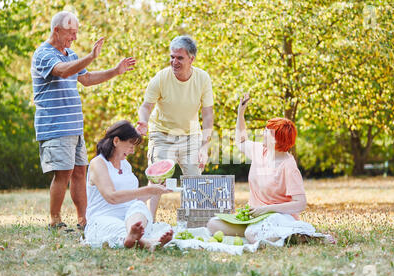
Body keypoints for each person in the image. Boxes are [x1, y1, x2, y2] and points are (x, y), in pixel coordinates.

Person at [31, 11, 136, 230]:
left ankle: (83, 220)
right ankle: (55, 220)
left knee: (80, 171)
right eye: (71, 33)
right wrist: (89, 57)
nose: (75, 38)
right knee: (63, 173)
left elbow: (86, 79)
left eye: (76, 33)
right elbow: (61, 72)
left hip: (74, 126)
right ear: (56, 31)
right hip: (55, 126)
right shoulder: (43, 54)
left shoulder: (70, 54)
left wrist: (115, 71)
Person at [207, 94, 335, 244]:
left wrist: (267, 209)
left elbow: (300, 203)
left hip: (279, 217)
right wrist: (240, 113)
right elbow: (241, 141)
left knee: (251, 233)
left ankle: (306, 237)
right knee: (213, 224)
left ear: (276, 139)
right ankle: (275, 235)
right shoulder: (260, 151)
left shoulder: (288, 166)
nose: (263, 133)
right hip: (256, 216)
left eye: (267, 131)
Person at [136, 35, 214, 216]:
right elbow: (146, 107)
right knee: (157, 181)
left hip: (191, 135)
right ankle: (149, 221)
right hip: (162, 134)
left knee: (195, 180)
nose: (174, 62)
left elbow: (208, 113)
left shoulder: (203, 78)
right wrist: (143, 121)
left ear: (191, 59)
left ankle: (194, 223)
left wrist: (205, 145)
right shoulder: (161, 78)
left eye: (180, 58)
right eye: (172, 57)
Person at [84, 120, 174, 250]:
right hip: (103, 218)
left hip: (129, 218)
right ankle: (146, 242)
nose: (132, 151)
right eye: (130, 145)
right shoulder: (98, 163)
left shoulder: (126, 165)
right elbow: (112, 197)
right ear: (116, 141)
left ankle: (134, 237)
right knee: (119, 228)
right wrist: (146, 189)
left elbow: (134, 199)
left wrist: (154, 190)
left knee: (139, 206)